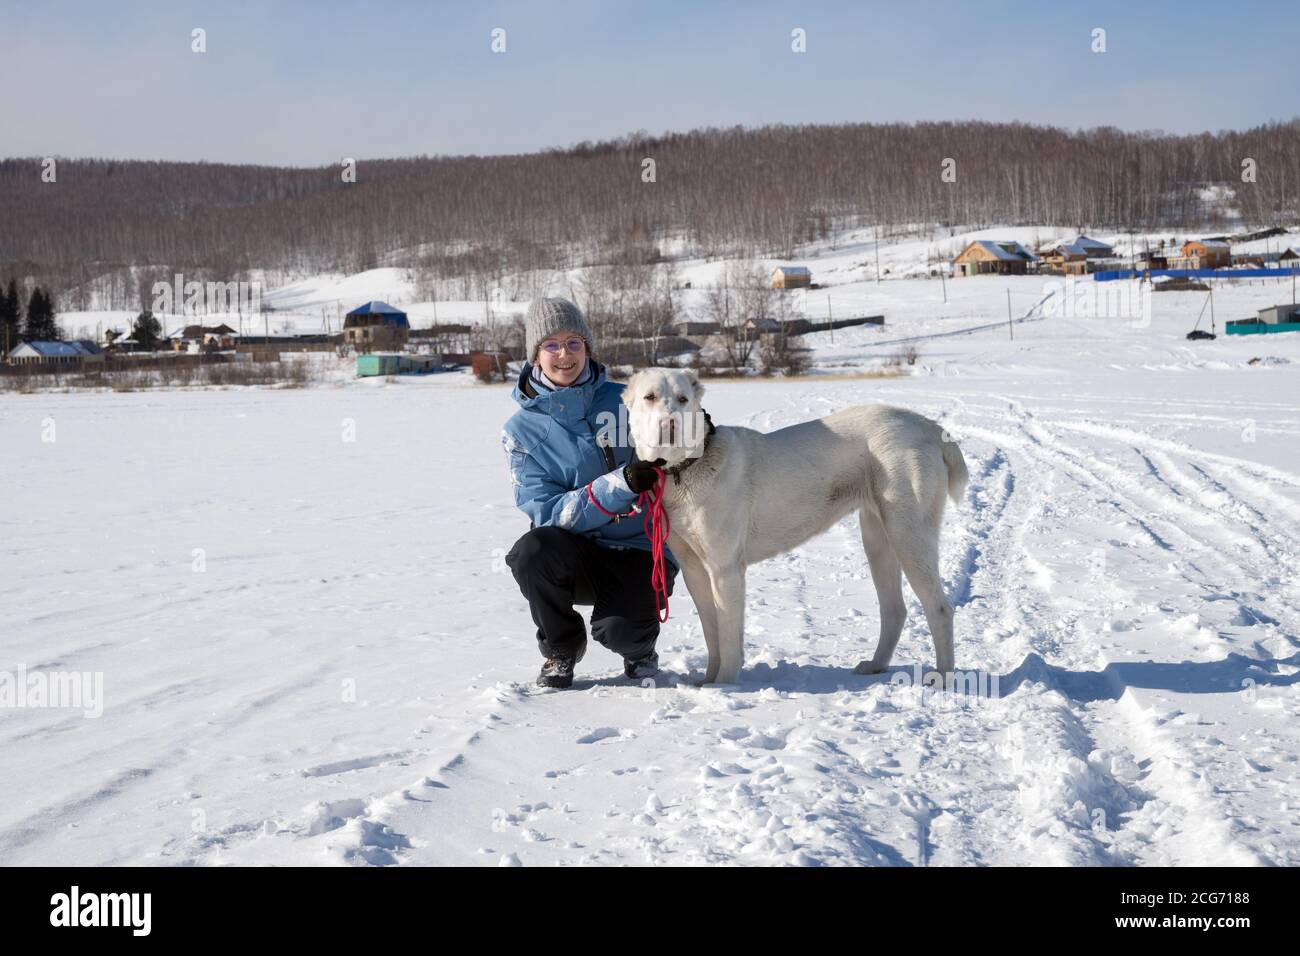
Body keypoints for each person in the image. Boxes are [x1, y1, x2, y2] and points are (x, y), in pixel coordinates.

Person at [501, 298, 678, 688]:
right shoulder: (521, 431)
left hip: (641, 547)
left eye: (574, 342)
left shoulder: (630, 400)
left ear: (588, 348)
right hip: (575, 554)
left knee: (620, 631)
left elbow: (678, 436)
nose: (564, 354)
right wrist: (620, 485)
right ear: (535, 355)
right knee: (532, 551)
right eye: (551, 345)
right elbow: (546, 511)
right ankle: (560, 649)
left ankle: (640, 651)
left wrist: (695, 427)